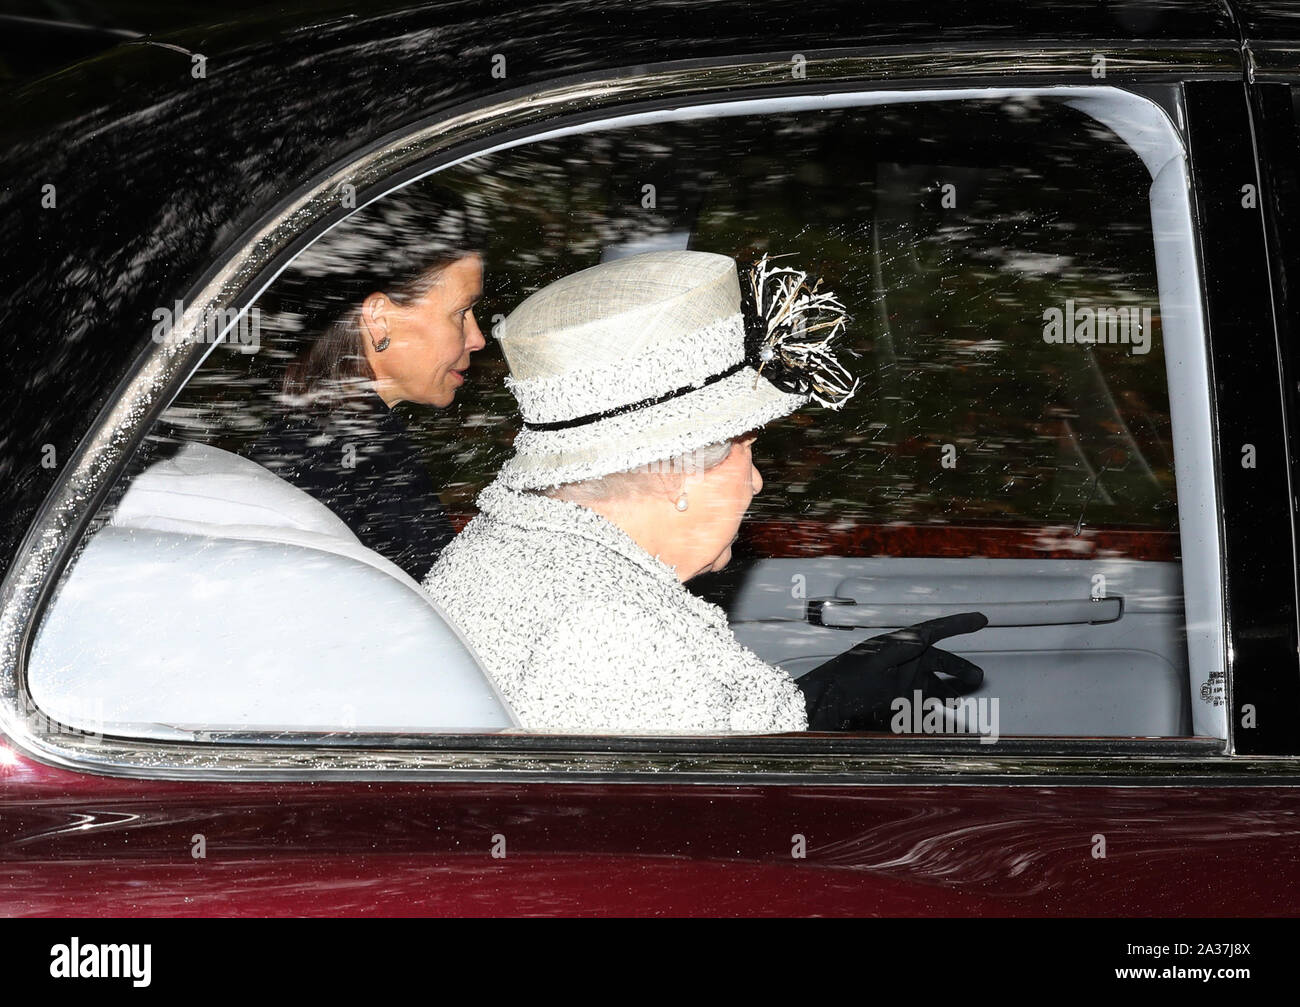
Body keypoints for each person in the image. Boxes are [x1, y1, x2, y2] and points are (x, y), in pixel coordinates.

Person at [425, 249, 986, 733]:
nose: (759, 479)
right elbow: (721, 828)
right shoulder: (616, 629)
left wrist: (818, 704)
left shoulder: (505, 549)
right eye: (748, 446)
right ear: (679, 474)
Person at [248, 191, 486, 579]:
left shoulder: (332, 433)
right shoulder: (350, 463)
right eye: (461, 313)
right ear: (379, 320)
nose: (477, 338)